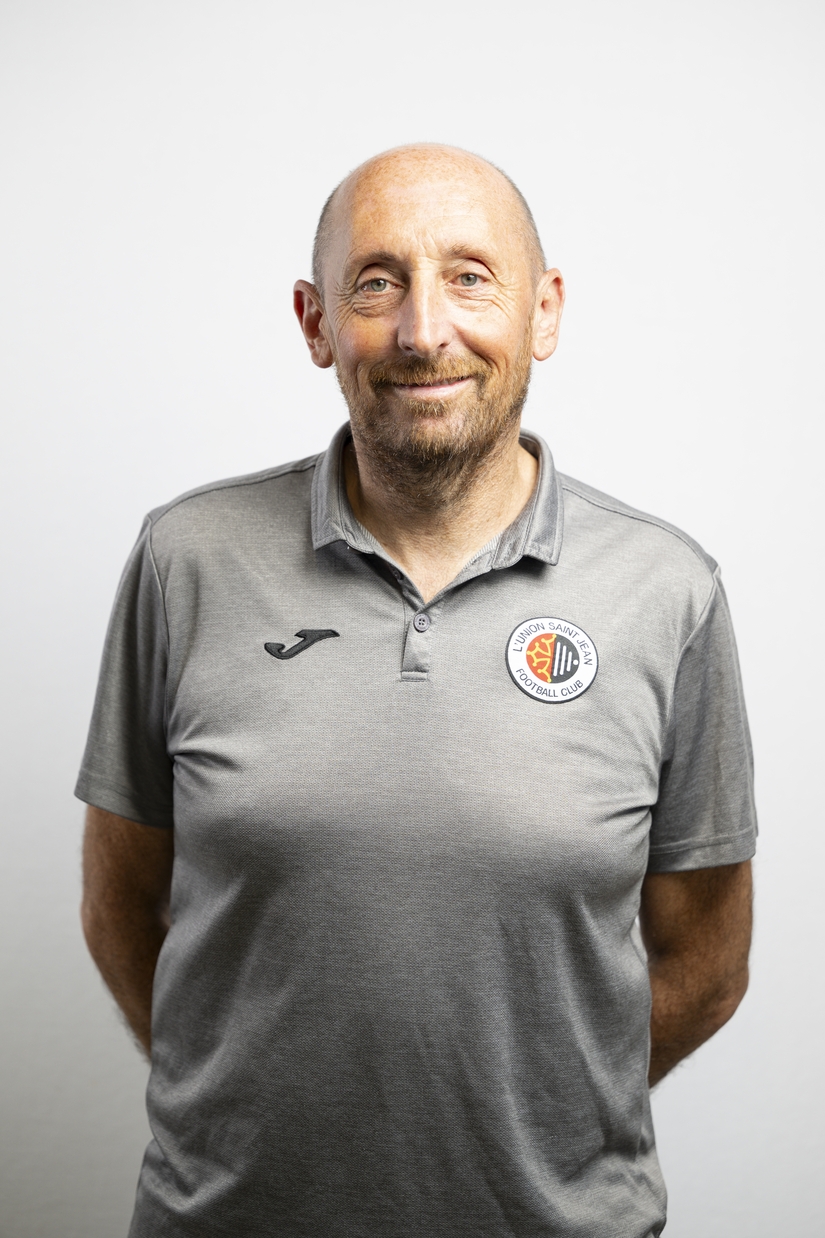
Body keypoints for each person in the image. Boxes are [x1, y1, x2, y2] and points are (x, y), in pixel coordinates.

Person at [78, 144, 756, 1238]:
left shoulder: (667, 592)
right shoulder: (184, 562)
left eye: (470, 277)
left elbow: (708, 964)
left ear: (544, 311)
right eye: (377, 282)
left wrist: (544, 1119)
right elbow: (119, 905)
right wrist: (234, 1104)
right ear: (314, 322)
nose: (423, 330)